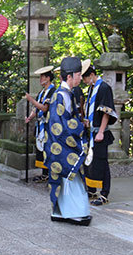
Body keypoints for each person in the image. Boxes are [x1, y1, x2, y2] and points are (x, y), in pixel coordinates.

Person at [44, 57, 91, 226]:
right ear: (69, 76)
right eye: (78, 75)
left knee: (69, 179)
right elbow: (62, 125)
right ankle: (74, 212)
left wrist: (80, 122)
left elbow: (66, 120)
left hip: (63, 145)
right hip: (63, 146)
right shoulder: (60, 95)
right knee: (71, 178)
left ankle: (62, 212)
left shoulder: (64, 94)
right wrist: (80, 126)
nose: (80, 78)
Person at [82, 62, 117, 206]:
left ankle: (104, 194)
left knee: (102, 162)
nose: (84, 81)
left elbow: (106, 112)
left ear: (91, 75)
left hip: (99, 132)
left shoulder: (104, 87)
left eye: (84, 78)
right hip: (91, 130)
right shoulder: (92, 88)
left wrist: (101, 131)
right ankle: (91, 189)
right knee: (90, 161)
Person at [25, 66, 56, 182]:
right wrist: (30, 117)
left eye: (42, 76)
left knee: (47, 148)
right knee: (41, 149)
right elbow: (36, 108)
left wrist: (31, 100)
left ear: (48, 78)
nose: (40, 79)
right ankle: (44, 174)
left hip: (49, 124)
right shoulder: (42, 92)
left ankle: (50, 173)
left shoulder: (53, 91)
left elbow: (44, 108)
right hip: (40, 124)